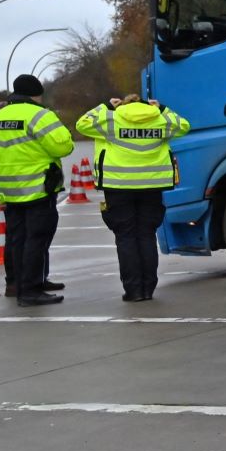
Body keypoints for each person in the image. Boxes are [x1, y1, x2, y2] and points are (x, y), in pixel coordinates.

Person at [76, 94, 190, 302]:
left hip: (118, 186)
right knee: (146, 235)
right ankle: (148, 289)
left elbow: (82, 124)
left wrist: (104, 105)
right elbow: (183, 125)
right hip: (152, 186)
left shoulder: (111, 119)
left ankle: (133, 290)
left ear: (123, 104)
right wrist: (162, 107)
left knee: (126, 237)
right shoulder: (160, 120)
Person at [0, 74, 73, 307]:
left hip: (10, 190)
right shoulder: (40, 115)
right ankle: (31, 290)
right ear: (36, 93)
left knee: (17, 239)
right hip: (38, 188)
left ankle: (19, 285)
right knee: (37, 238)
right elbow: (63, 146)